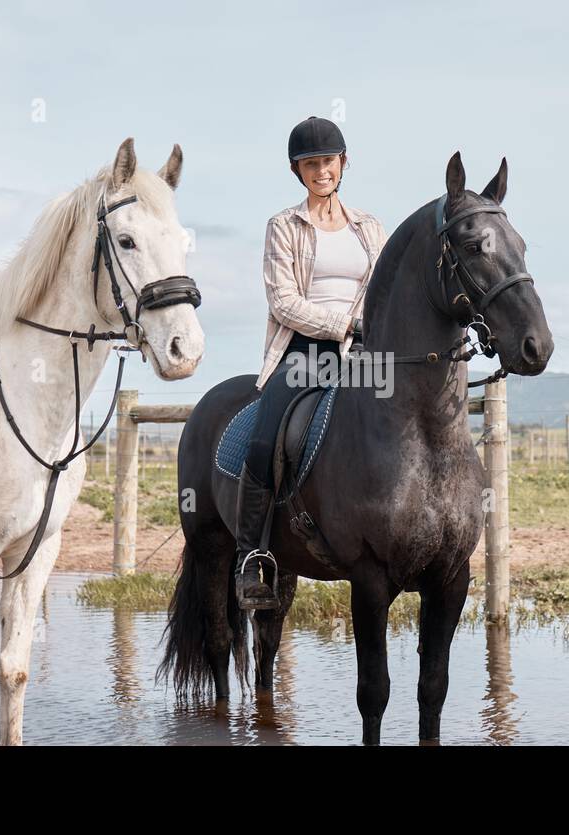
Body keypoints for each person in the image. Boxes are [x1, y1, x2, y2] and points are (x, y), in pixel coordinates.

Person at [233, 116, 387, 609]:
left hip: (363, 353)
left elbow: (379, 292)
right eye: (311, 164)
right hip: (303, 351)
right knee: (265, 436)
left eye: (328, 161)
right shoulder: (283, 226)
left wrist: (362, 328)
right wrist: (341, 325)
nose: (321, 171)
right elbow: (284, 301)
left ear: (344, 164)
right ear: (297, 171)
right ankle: (251, 559)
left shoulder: (370, 227)